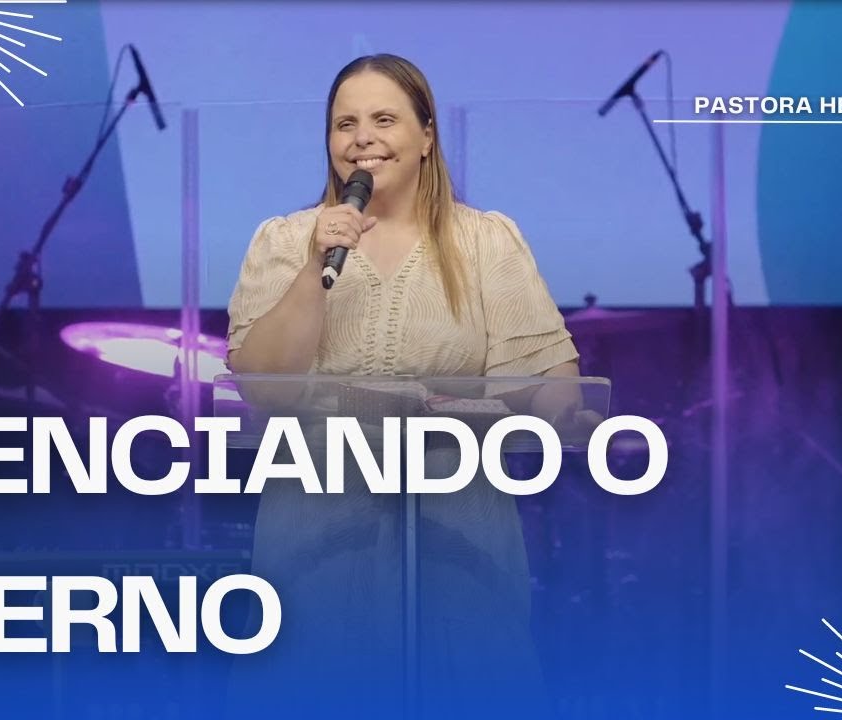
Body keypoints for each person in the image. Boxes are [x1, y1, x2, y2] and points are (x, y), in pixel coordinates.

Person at [223, 54, 585, 719]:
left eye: (384, 120)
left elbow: (544, 377)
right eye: (345, 124)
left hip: (459, 531)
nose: (362, 138)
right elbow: (267, 389)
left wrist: (562, 408)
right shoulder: (285, 241)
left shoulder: (486, 241)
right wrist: (312, 268)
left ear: (426, 136)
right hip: (317, 532)